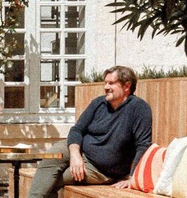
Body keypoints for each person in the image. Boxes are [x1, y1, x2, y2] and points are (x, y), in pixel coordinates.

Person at [26, 66, 153, 198]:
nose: (106, 87)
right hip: (81, 150)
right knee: (51, 157)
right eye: (105, 83)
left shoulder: (139, 109)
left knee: (53, 180)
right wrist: (75, 155)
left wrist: (133, 178)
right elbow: (77, 130)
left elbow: (143, 145)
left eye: (111, 83)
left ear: (127, 86)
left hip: (101, 170)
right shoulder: (99, 103)